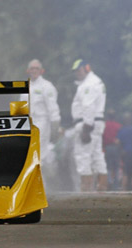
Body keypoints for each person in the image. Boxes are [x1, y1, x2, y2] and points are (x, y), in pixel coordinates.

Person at [70, 58, 107, 191]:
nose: (77, 73)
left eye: (79, 70)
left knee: (82, 155)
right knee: (97, 155)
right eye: (75, 71)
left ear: (87, 68)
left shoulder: (89, 84)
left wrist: (86, 128)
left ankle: (85, 188)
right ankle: (102, 187)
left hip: (88, 123)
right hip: (96, 122)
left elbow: (88, 106)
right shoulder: (95, 81)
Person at [24, 59, 62, 149]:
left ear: (41, 71)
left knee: (39, 153)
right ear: (28, 70)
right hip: (27, 124)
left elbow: (53, 109)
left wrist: (55, 128)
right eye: (32, 68)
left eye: (36, 68)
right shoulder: (25, 87)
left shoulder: (47, 86)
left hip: (43, 124)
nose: (34, 71)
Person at [102, 116, 123, 192]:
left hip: (107, 147)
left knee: (108, 167)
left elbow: (102, 136)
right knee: (116, 167)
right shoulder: (118, 125)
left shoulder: (104, 125)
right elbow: (120, 138)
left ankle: (109, 182)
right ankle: (116, 185)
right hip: (116, 148)